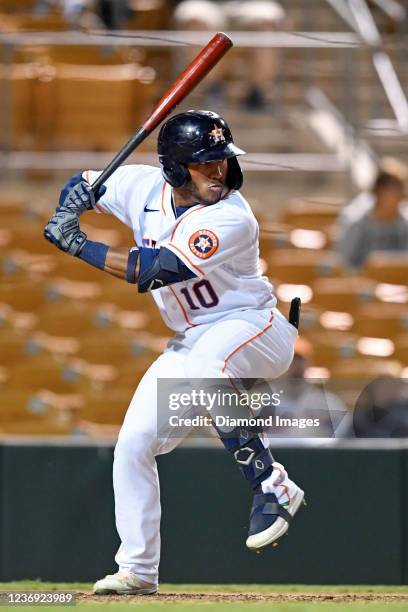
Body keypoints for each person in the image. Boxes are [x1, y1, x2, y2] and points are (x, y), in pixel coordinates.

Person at [44, 110, 304, 596]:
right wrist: (75, 198)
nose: (219, 170)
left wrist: (78, 243)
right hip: (192, 339)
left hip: (255, 327)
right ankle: (138, 569)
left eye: (222, 159)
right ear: (175, 168)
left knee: (210, 366)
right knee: (133, 445)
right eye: (206, 163)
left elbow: (157, 270)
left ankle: (272, 483)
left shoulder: (232, 216)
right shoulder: (140, 187)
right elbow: (79, 185)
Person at [338, 163, 408, 269]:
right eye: (395, 192)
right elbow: (345, 263)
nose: (401, 197)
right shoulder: (357, 222)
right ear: (379, 192)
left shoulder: (405, 224)